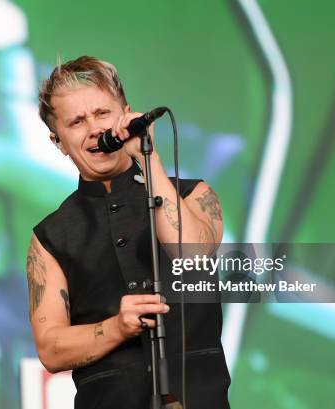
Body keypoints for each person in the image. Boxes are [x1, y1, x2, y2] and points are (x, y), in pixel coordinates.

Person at [27, 56, 230, 408]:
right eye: (76, 121)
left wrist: (148, 157)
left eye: (102, 114)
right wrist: (117, 327)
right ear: (58, 141)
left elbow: (192, 255)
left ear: (125, 114)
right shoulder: (51, 237)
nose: (94, 129)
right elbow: (51, 348)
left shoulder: (194, 194)